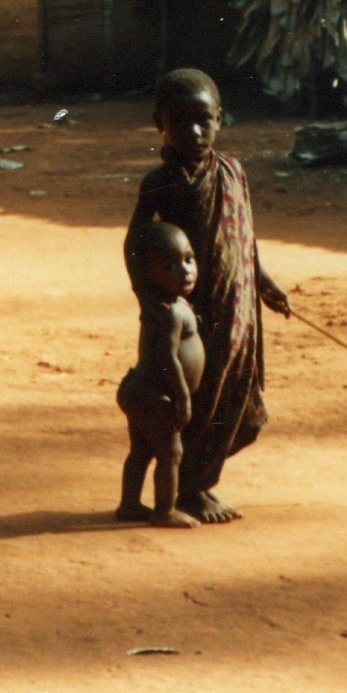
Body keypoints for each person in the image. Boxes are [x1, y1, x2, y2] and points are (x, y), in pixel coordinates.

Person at [127, 68, 290, 523]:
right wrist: (149, 300)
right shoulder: (162, 181)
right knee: (197, 402)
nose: (194, 132)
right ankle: (190, 489)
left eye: (204, 120)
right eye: (179, 122)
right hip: (196, 318)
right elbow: (135, 241)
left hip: (240, 313)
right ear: (160, 123)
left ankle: (201, 483)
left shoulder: (233, 171)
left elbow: (243, 237)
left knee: (241, 403)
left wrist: (263, 281)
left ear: (220, 118)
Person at [115, 221, 204, 529]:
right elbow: (167, 357)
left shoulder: (172, 305)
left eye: (189, 259)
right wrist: (181, 397)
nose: (185, 270)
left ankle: (129, 504)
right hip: (155, 394)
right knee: (171, 452)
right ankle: (164, 510)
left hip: (137, 389)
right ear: (148, 274)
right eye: (170, 265)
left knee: (141, 449)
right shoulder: (170, 312)